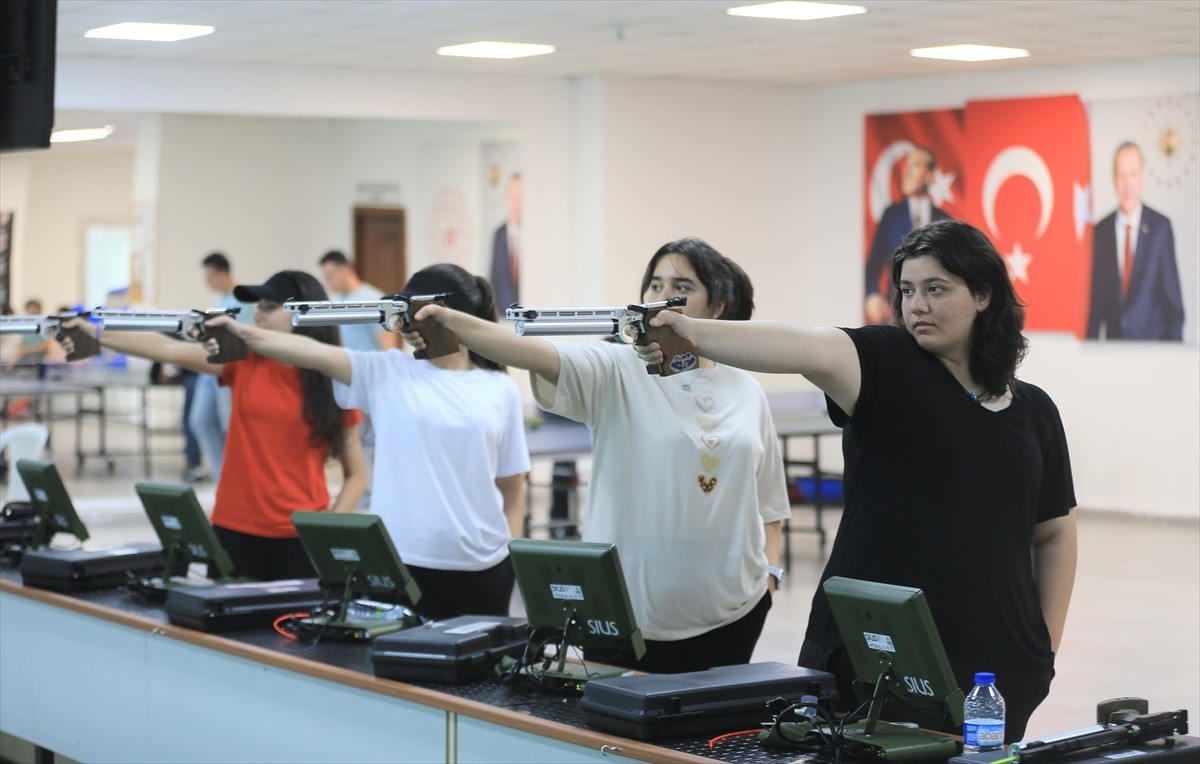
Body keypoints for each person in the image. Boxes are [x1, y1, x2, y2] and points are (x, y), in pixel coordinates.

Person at [638, 220, 1077, 741]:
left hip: (994, 668)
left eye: (936, 289)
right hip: (873, 657)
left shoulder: (1035, 411)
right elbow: (805, 346)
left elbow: (1054, 534)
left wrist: (1042, 651)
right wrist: (693, 331)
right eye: (907, 290)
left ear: (983, 294)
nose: (917, 305)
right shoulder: (886, 364)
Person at [408, 237, 789, 674]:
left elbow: (770, 502)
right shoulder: (615, 368)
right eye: (654, 285)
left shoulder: (746, 390)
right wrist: (452, 322)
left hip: (734, 614)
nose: (661, 297)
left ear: (716, 306)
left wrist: (770, 578)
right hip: (625, 621)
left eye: (681, 286)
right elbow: (532, 351)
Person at [206, 264, 529, 620]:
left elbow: (513, 489)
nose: (403, 328)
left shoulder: (499, 389)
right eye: (400, 318)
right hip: (399, 566)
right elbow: (307, 352)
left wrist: (511, 561)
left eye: (412, 317)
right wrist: (241, 331)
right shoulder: (386, 371)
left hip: (483, 569)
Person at [63, 270, 364, 581]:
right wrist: (95, 331)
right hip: (234, 530)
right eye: (258, 307)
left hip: (300, 539)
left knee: (290, 628)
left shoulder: (333, 379)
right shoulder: (246, 360)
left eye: (269, 308)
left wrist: (326, 536)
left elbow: (356, 476)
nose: (258, 316)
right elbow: (168, 349)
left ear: (304, 313)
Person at [1087, 141, 1184, 341]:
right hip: (1113, 353)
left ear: (1142, 177)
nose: (1127, 183)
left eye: (1133, 174)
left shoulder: (1160, 229)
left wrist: (1171, 363)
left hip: (1153, 355)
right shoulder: (1100, 232)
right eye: (1121, 174)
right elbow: (1094, 306)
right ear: (1114, 178)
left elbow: (1174, 308)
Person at [189, 252, 256, 484]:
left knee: (230, 426)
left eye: (210, 277)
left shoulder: (242, 300)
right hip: (211, 369)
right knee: (200, 420)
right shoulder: (220, 301)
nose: (207, 283)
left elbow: (243, 338)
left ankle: (234, 480)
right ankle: (223, 477)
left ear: (222, 273)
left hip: (231, 370)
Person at [864, 146, 950, 325]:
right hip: (895, 314)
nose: (907, 172)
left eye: (916, 165)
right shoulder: (891, 216)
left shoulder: (944, 220)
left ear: (929, 175)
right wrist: (872, 294)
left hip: (935, 315)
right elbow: (873, 263)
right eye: (907, 166)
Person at [318, 250, 393, 351]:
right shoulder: (336, 301)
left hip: (367, 365)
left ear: (346, 270)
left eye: (330, 277)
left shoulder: (375, 300)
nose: (327, 283)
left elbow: (388, 348)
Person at [489, 173, 522, 314]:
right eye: (512, 197)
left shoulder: (535, 236)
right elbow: (494, 280)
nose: (516, 203)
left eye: (520, 197)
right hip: (505, 317)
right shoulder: (498, 235)